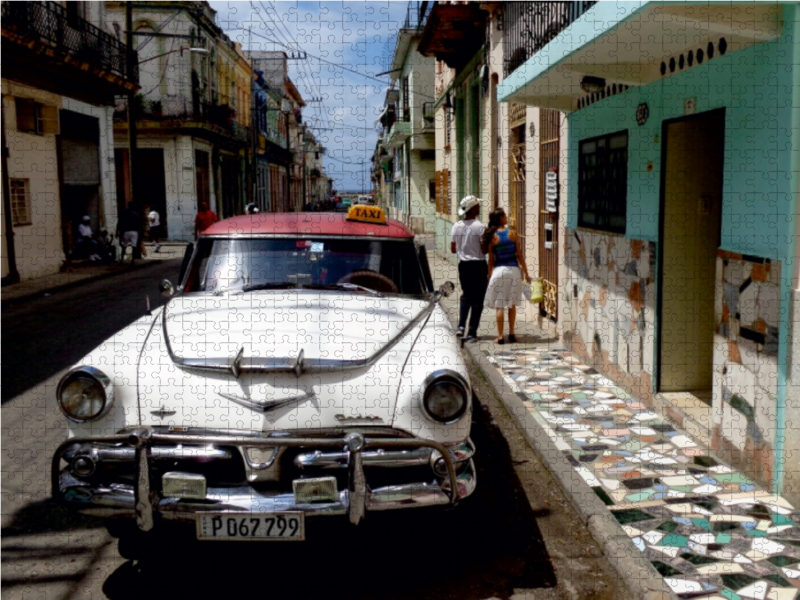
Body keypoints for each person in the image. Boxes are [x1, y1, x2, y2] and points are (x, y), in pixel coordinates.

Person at [482, 208, 532, 344]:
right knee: (511, 305)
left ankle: (499, 336)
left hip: (499, 271)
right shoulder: (513, 233)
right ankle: (511, 334)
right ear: (500, 218)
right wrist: (526, 274)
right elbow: (520, 256)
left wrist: (489, 276)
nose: (506, 217)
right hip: (514, 271)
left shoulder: (492, 237)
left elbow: (491, 260)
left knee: (500, 305)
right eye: (504, 215)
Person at [450, 195, 488, 343]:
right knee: (478, 299)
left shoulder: (456, 226)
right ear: (474, 209)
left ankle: (460, 327)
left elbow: (453, 249)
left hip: (464, 266)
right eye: (478, 205)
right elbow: (483, 250)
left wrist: (463, 248)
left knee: (466, 295)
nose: (480, 207)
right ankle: (472, 332)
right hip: (478, 265)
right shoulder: (480, 227)